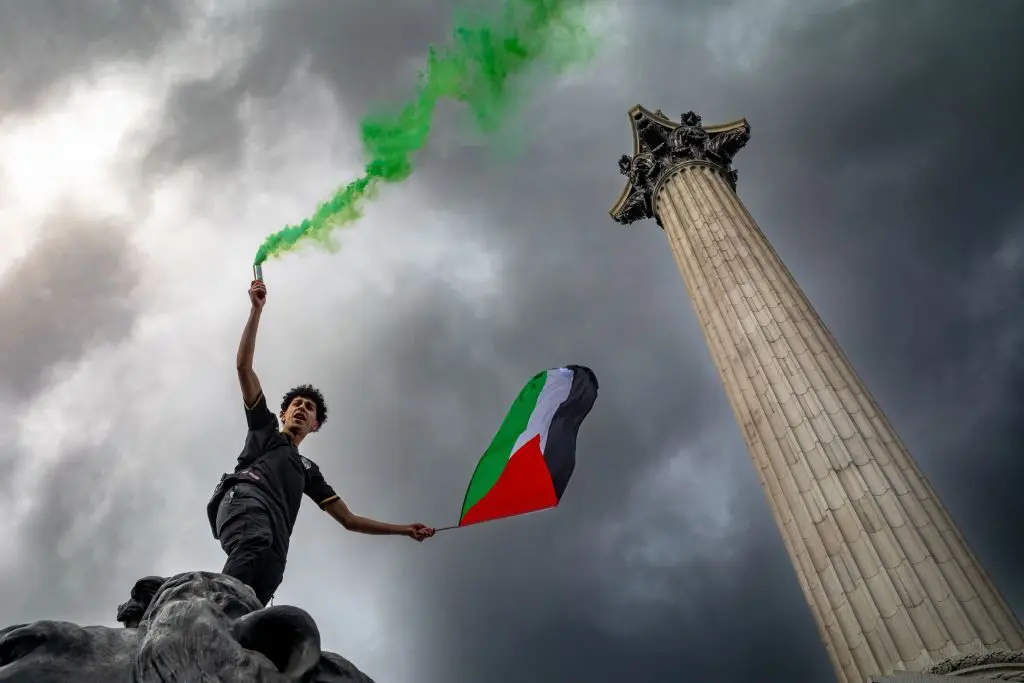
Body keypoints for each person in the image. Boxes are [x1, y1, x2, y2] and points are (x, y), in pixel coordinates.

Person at [206, 278, 435, 606]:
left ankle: (232, 635)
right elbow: (244, 368)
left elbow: (350, 520)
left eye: (308, 407)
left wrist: (404, 529)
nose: (301, 408)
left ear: (315, 425)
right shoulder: (265, 431)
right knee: (254, 543)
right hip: (245, 500)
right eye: (295, 404)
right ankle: (210, 612)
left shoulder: (308, 471)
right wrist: (256, 310)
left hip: (277, 534)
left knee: (265, 583)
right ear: (284, 414)